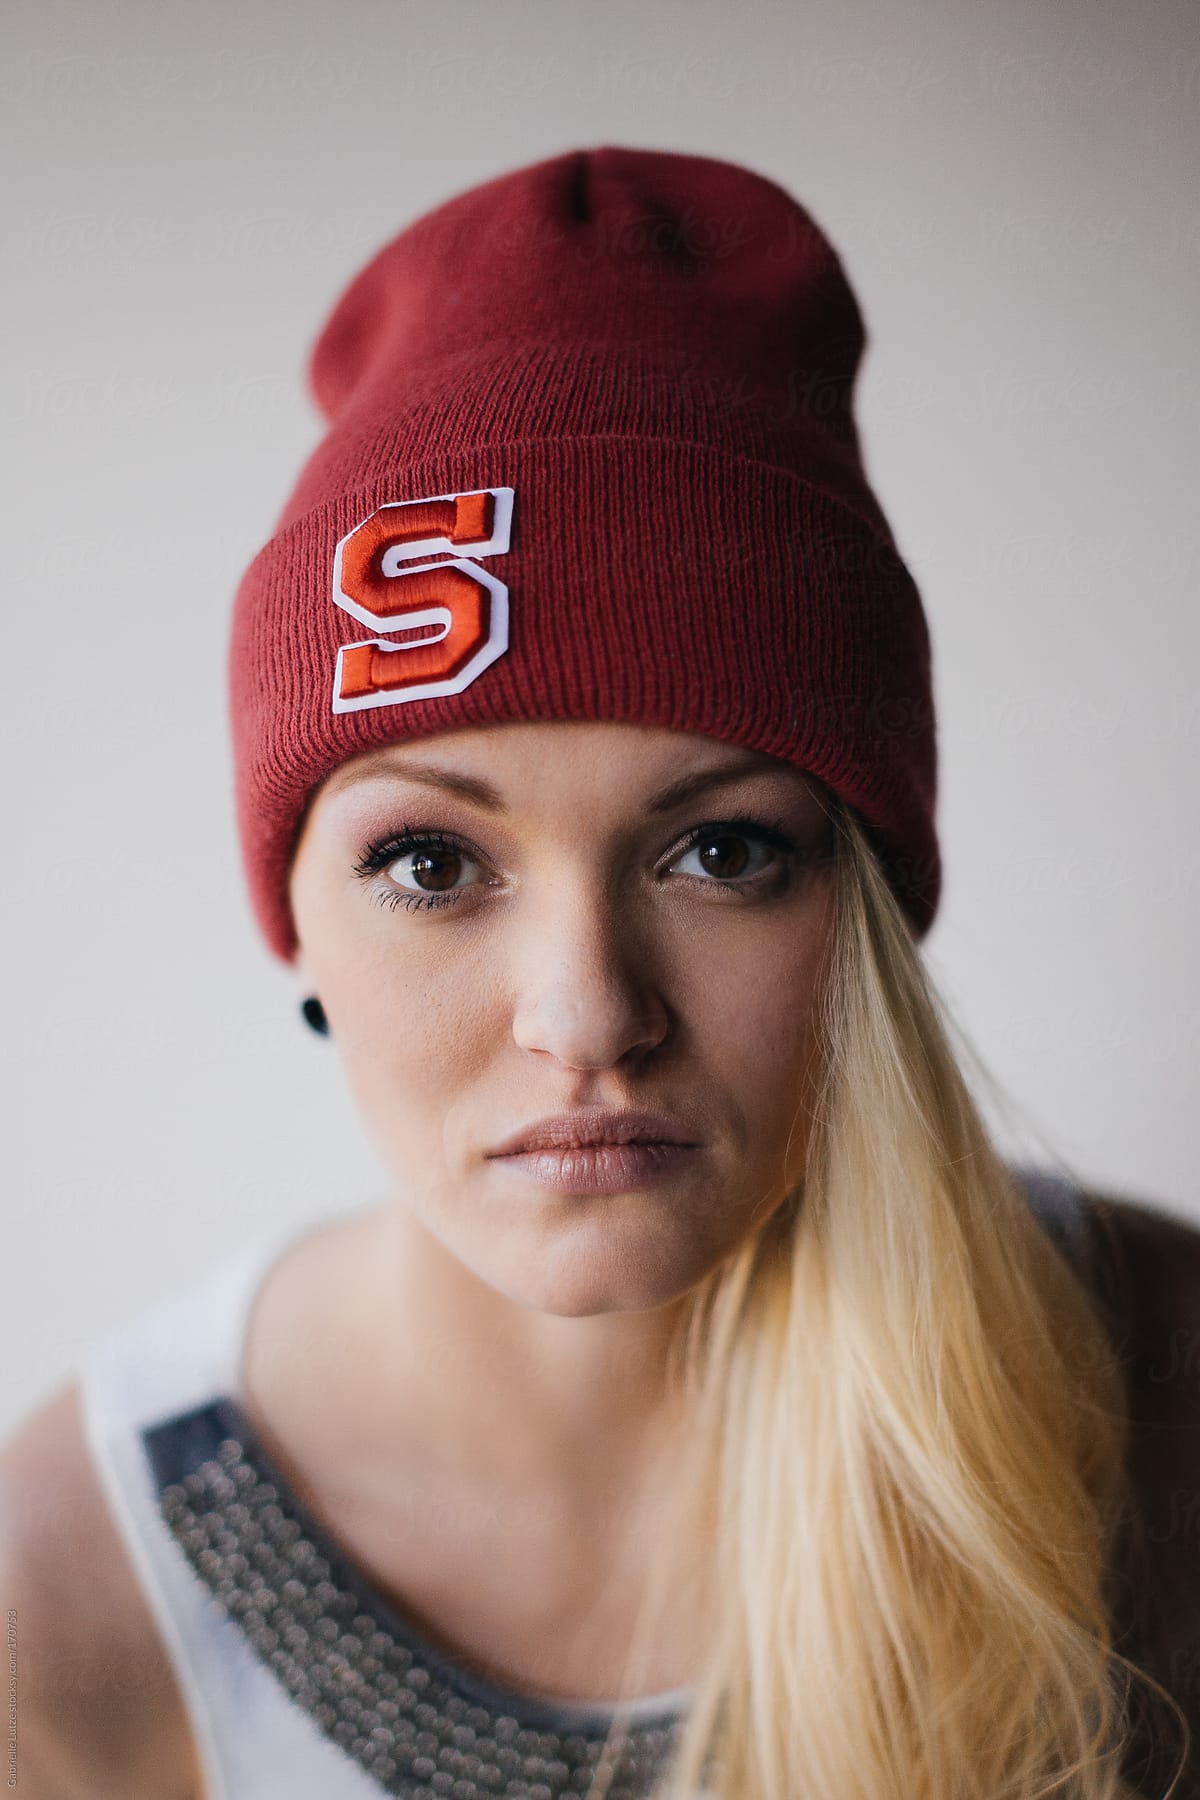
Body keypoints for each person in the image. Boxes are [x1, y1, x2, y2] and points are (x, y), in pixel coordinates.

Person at [2, 144, 1197, 1800]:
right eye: (431, 864)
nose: (586, 1018)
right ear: (301, 924)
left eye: (722, 851)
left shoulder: (1156, 1395)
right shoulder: (66, 1595)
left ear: (867, 906)